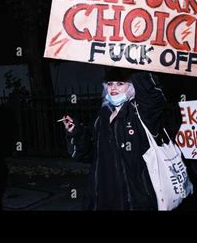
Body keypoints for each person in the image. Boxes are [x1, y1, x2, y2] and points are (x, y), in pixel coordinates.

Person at [61, 68, 166, 210]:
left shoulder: (140, 113)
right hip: (102, 194)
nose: (114, 88)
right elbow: (88, 155)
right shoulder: (102, 116)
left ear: (131, 87)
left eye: (120, 83)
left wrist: (136, 63)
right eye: (110, 83)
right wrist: (76, 133)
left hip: (135, 196)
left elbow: (153, 97)